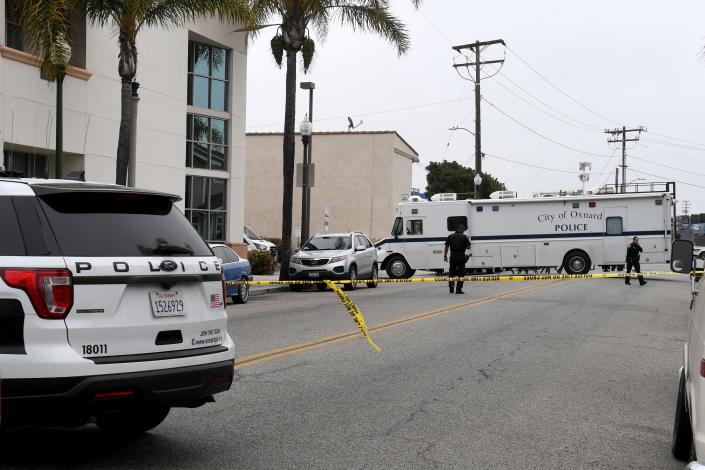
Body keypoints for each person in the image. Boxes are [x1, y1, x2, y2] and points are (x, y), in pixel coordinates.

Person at [444, 223, 470, 294]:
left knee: (451, 272)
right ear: (462, 229)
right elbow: (469, 247)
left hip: (453, 256)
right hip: (461, 257)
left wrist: (445, 256)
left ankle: (451, 285)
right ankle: (458, 289)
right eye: (464, 230)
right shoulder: (464, 237)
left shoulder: (450, 236)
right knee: (461, 273)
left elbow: (446, 246)